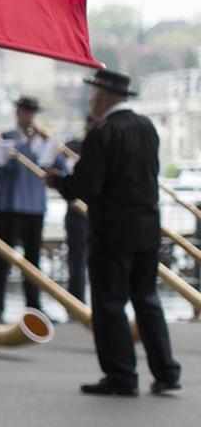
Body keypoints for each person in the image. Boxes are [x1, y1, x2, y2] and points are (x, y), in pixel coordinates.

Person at [45, 69, 181, 397]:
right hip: (148, 227)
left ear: (103, 97)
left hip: (113, 230)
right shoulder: (147, 127)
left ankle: (121, 374)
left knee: (109, 303)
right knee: (147, 300)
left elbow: (88, 186)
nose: (91, 102)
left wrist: (59, 182)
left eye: (93, 96)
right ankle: (166, 370)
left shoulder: (102, 132)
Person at [0, 96, 63, 320]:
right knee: (2, 259)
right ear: (18, 113)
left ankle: (34, 307)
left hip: (35, 207)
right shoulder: (7, 138)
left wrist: (50, 143)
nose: (29, 117)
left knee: (33, 261)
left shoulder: (44, 141)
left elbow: (59, 168)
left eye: (32, 113)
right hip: (10, 206)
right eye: (25, 112)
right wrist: (26, 145)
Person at [62, 121, 92, 302]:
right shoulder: (74, 146)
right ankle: (77, 302)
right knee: (77, 260)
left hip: (99, 211)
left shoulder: (107, 148)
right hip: (77, 212)